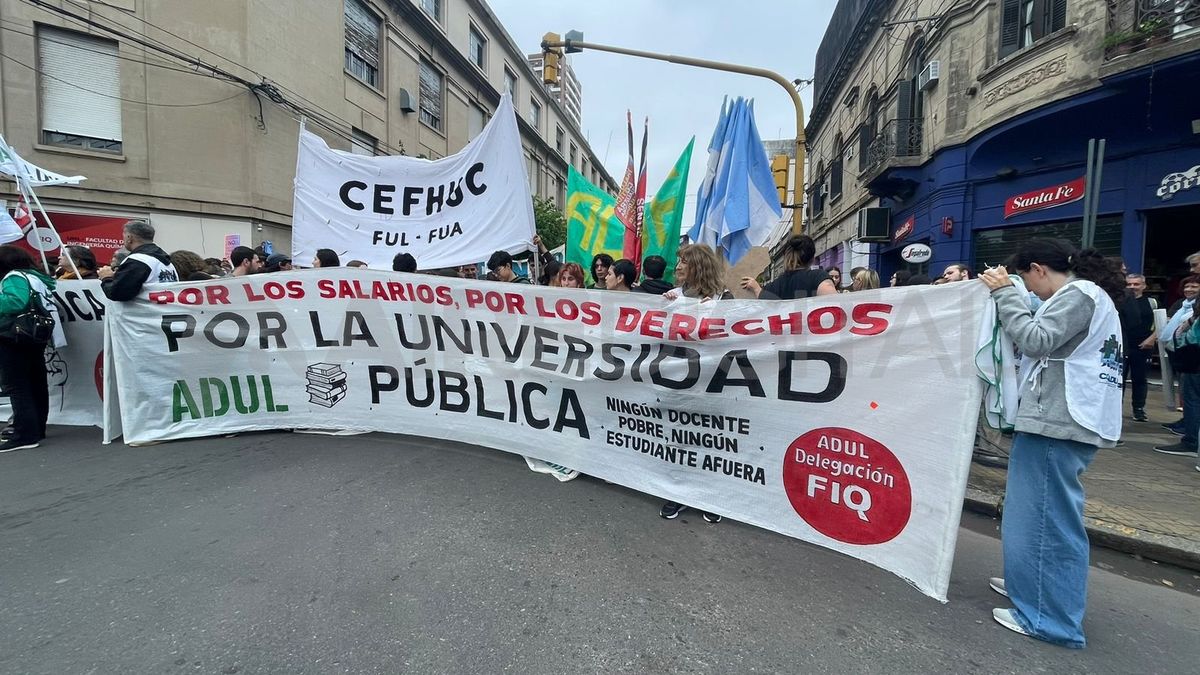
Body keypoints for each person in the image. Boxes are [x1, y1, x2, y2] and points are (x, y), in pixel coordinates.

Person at [978, 238, 1125, 649]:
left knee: (1046, 520)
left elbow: (1036, 339)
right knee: (1034, 514)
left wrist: (1004, 293)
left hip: (1058, 421)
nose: (1027, 288)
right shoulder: (1090, 295)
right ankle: (1031, 588)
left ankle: (1048, 618)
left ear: (1039, 269)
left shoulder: (1077, 294)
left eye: (1026, 279)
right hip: (1060, 419)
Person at [659, 243, 726, 524]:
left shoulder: (723, 298)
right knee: (678, 438)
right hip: (678, 377)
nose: (677, 267)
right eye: (678, 262)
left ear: (698, 265)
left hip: (711, 380)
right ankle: (678, 493)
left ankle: (709, 496)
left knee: (709, 440)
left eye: (683, 261)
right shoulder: (672, 297)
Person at [0, 245, 65, 452]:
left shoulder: (13, 277)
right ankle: (35, 428)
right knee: (35, 382)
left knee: (17, 385)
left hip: (13, 336)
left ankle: (24, 434)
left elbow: (15, 303)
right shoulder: (35, 278)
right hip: (33, 336)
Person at [97, 219, 179, 300]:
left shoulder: (138, 260)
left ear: (129, 237)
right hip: (162, 311)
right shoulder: (167, 263)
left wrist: (106, 278)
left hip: (140, 312)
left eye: (124, 236)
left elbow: (117, 293)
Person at [740, 235, 837, 299]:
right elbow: (833, 305)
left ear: (785, 257)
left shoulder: (772, 287)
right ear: (812, 258)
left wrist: (757, 290)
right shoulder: (818, 277)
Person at [1119, 273, 1157, 422]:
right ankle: (1116, 409)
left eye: (1136, 284)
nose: (1132, 287)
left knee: (1140, 379)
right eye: (1129, 284)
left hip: (1143, 347)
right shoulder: (1120, 302)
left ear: (1144, 286)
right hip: (1122, 346)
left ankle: (1139, 409)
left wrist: (1152, 339)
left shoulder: (1152, 302)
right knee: (1118, 380)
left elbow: (1161, 322)